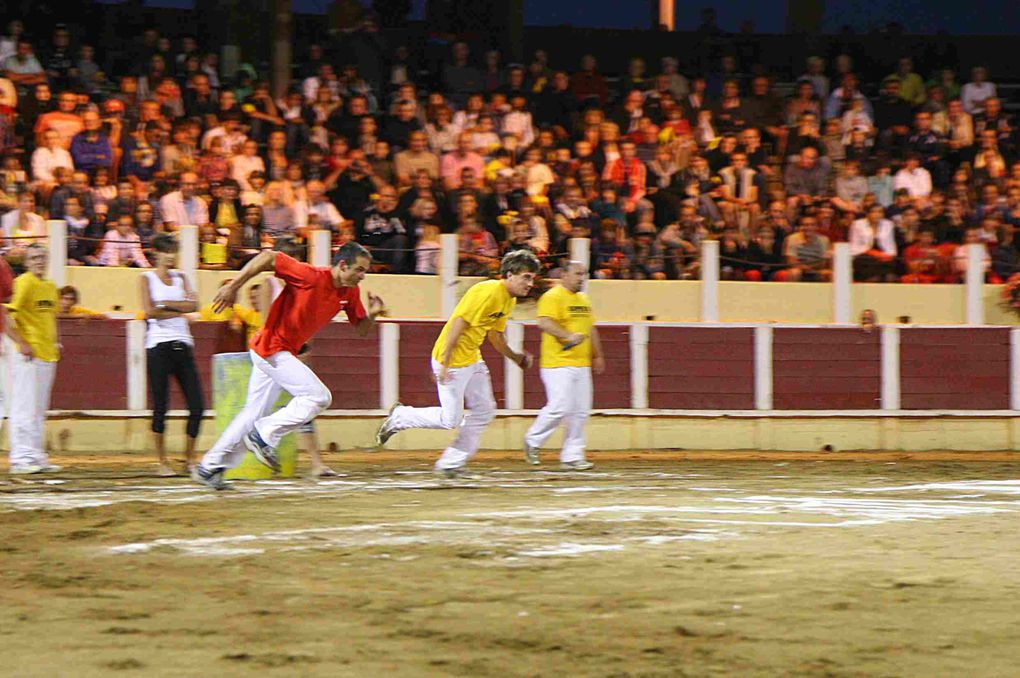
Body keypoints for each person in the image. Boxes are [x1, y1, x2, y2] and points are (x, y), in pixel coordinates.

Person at [192, 241, 387, 490]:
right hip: (273, 349)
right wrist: (234, 286)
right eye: (359, 270)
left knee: (252, 413)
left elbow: (361, 329)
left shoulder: (349, 293)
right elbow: (268, 257)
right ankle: (264, 434)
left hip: (275, 352)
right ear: (342, 265)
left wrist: (373, 313)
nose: (362, 276)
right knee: (318, 397)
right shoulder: (311, 275)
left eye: (364, 272)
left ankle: (209, 467)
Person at [376, 250, 540, 480]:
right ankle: (400, 416)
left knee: (484, 410)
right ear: (509, 274)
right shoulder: (489, 292)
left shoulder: (508, 299)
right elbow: (458, 322)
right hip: (451, 359)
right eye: (526, 277)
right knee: (450, 420)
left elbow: (495, 336)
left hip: (471, 358)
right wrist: (445, 363)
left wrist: (515, 357)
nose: (530, 284)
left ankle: (451, 462)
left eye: (532, 278)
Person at [523, 261, 603, 470]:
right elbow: (545, 323)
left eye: (584, 274)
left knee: (581, 410)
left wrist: (597, 355)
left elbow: (590, 328)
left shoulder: (583, 299)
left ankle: (573, 455)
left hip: (581, 363)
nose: (581, 278)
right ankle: (533, 440)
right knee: (559, 406)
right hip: (557, 362)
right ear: (564, 275)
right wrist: (568, 336)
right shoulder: (552, 296)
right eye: (577, 274)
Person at [139, 234, 203, 476]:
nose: (170, 256)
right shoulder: (146, 278)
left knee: (197, 406)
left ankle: (188, 460)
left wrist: (165, 304)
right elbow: (149, 312)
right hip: (158, 347)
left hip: (183, 344)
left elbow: (195, 306)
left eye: (173, 251)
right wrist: (178, 308)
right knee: (160, 406)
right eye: (166, 251)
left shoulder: (181, 277)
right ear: (156, 253)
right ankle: (162, 461)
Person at [4, 245, 61, 474]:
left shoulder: (49, 286)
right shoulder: (24, 282)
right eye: (34, 257)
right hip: (28, 354)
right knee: (24, 406)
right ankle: (20, 457)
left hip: (47, 353)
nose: (39, 261)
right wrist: (22, 343)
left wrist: (55, 341)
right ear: (27, 262)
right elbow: (8, 314)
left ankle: (36, 455)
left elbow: (51, 318)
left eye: (43, 257)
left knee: (38, 409)